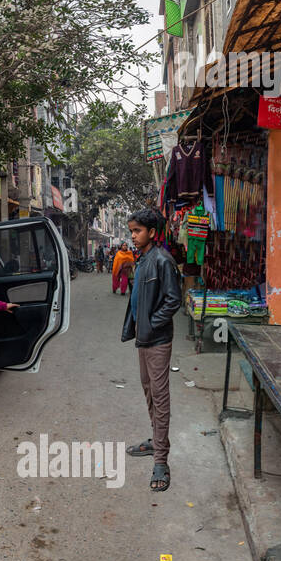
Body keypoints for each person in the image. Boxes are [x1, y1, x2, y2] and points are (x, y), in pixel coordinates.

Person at [120, 210, 181, 491]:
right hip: (144, 339)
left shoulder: (162, 261)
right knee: (148, 391)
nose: (133, 235)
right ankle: (157, 440)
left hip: (157, 340)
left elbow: (172, 301)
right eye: (132, 231)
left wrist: (150, 325)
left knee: (160, 396)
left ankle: (161, 460)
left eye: (138, 231)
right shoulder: (142, 259)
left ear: (152, 233)